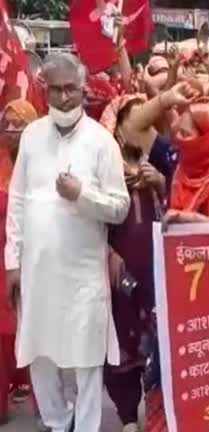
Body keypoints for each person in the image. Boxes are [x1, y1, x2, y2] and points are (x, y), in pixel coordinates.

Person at [4, 53, 130, 432]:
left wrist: (82, 195)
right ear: (45, 89)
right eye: (55, 89)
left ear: (84, 90)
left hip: (82, 274)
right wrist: (12, 260)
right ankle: (59, 422)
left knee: (87, 357)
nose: (62, 98)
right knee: (39, 352)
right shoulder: (31, 136)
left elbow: (120, 207)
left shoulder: (102, 142)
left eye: (70, 89)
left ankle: (87, 426)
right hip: (37, 270)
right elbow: (19, 200)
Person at [105, 98, 166, 432]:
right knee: (122, 340)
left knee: (158, 341)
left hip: (156, 269)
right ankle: (128, 416)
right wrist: (107, 253)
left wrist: (161, 183)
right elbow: (89, 218)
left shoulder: (159, 161)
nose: (142, 127)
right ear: (118, 126)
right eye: (134, 119)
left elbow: (179, 207)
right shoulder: (103, 164)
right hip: (120, 268)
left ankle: (157, 411)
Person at [0, 100, 37, 423]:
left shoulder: (42, 163)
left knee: (33, 328)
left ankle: (47, 405)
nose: (12, 130)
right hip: (3, 258)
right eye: (7, 124)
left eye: (19, 124)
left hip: (35, 254)